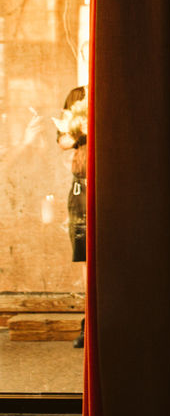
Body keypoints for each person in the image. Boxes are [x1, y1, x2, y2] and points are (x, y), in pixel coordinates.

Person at [56, 86, 88, 348]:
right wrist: (81, 129)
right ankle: (88, 323)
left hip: (114, 184)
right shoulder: (76, 96)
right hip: (82, 186)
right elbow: (62, 141)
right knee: (86, 256)